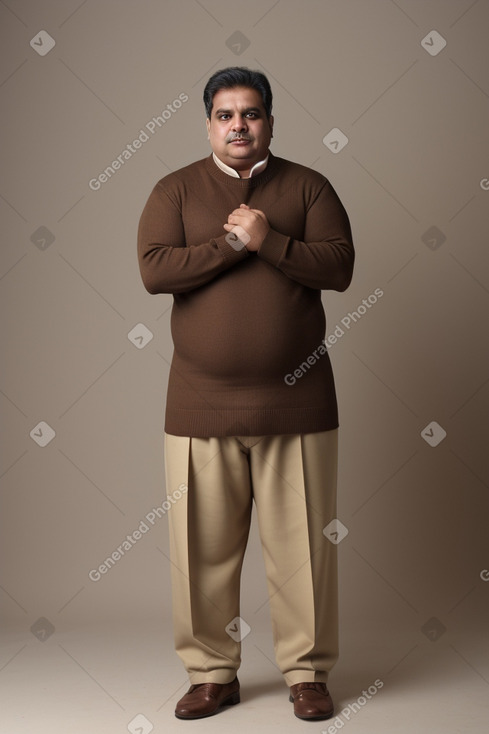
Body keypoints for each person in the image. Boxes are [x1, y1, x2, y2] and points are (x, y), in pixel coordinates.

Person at [137, 66, 354, 721]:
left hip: (298, 403)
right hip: (199, 404)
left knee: (303, 553)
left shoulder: (309, 185)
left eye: (251, 114)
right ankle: (211, 673)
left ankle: (306, 674)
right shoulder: (173, 189)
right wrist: (234, 242)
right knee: (198, 551)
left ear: (268, 121)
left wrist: (273, 240)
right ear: (209, 123)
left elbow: (339, 266)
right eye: (226, 115)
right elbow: (154, 270)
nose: (239, 125)